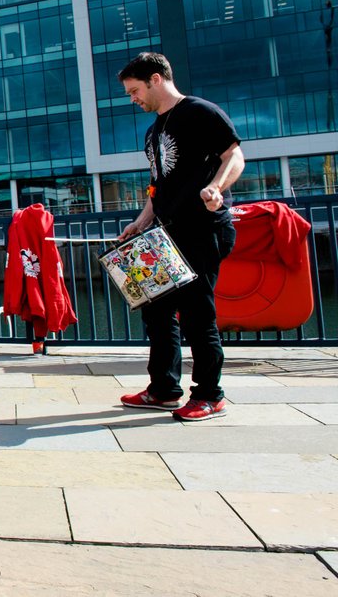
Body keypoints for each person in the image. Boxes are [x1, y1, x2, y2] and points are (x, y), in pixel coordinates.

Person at [117, 51, 244, 422]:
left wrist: (217, 188)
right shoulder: (153, 130)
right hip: (165, 235)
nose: (133, 99)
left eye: (135, 90)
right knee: (155, 312)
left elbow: (234, 155)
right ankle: (164, 389)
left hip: (204, 228)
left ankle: (210, 394)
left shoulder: (200, 112)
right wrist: (141, 221)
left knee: (196, 314)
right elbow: (159, 187)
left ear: (156, 79)